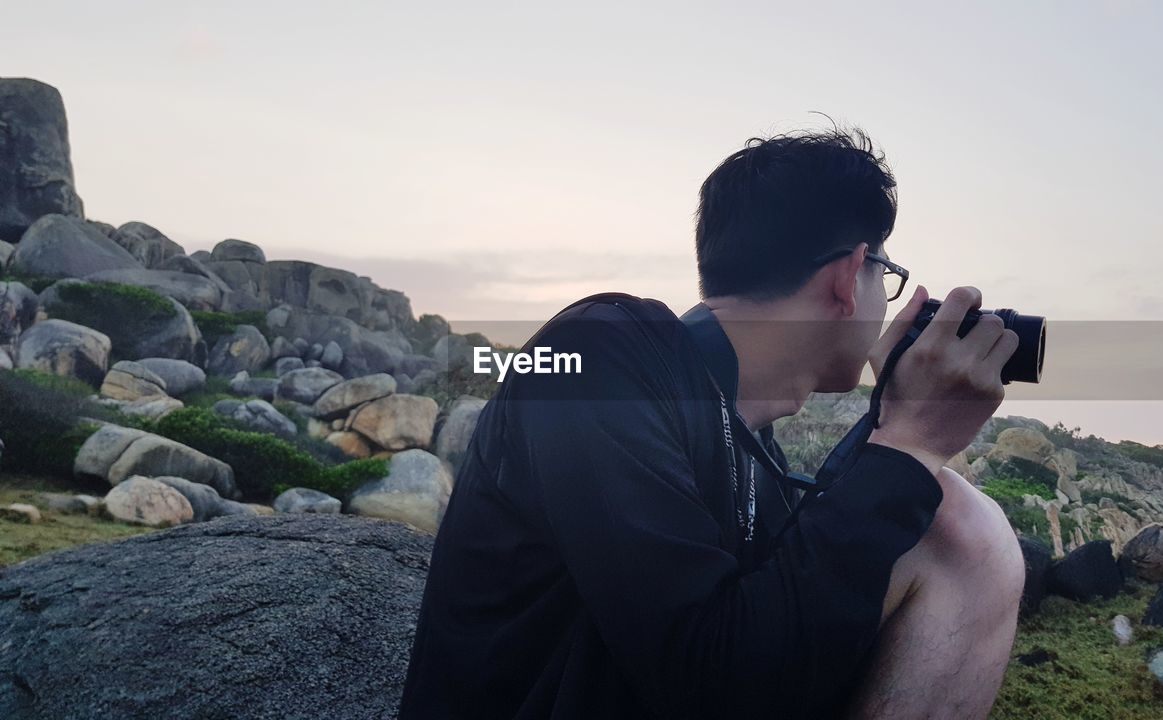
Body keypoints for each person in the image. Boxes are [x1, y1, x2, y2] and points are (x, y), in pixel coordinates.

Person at [398, 126, 1025, 719]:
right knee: (958, 525)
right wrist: (909, 445)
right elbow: (710, 685)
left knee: (955, 522)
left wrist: (895, 428)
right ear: (845, 277)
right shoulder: (599, 355)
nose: (882, 303)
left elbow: (783, 619)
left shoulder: (752, 445)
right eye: (884, 279)